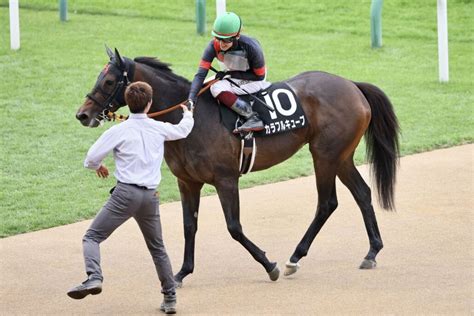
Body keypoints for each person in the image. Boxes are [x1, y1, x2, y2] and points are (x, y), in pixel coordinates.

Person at [67, 81, 194, 315]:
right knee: (158, 249)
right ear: (149, 104)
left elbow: (90, 158)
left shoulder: (118, 130)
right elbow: (183, 130)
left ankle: (94, 277)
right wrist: (188, 114)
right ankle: (170, 298)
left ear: (127, 104)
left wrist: (98, 166)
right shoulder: (158, 127)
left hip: (124, 196)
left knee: (92, 237)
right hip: (150, 197)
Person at [186, 11, 270, 133]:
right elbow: (200, 74)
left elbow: (259, 76)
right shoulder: (213, 46)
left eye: (226, 40)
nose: (221, 44)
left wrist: (230, 74)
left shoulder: (251, 48)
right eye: (218, 38)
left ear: (237, 36)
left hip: (253, 78)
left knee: (216, 88)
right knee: (204, 84)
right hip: (233, 73)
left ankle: (252, 117)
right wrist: (191, 99)